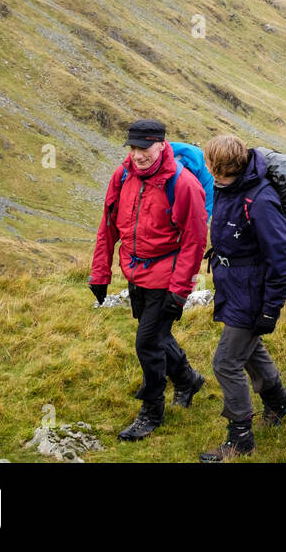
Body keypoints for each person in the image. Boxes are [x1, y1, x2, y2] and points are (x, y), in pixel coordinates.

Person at [90, 119, 209, 441]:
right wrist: (100, 273)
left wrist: (179, 290)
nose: (138, 155)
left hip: (166, 277)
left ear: (161, 145)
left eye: (144, 148)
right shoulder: (123, 175)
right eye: (133, 148)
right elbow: (108, 226)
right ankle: (188, 380)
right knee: (157, 336)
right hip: (135, 271)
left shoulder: (183, 185)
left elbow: (194, 241)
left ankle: (151, 411)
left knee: (147, 343)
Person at [198, 134, 286, 462]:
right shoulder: (229, 186)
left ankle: (240, 438)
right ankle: (280, 401)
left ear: (216, 165)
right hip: (234, 286)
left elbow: (280, 257)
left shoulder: (261, 199)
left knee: (226, 362)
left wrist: (271, 309)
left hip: (252, 293)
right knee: (250, 349)